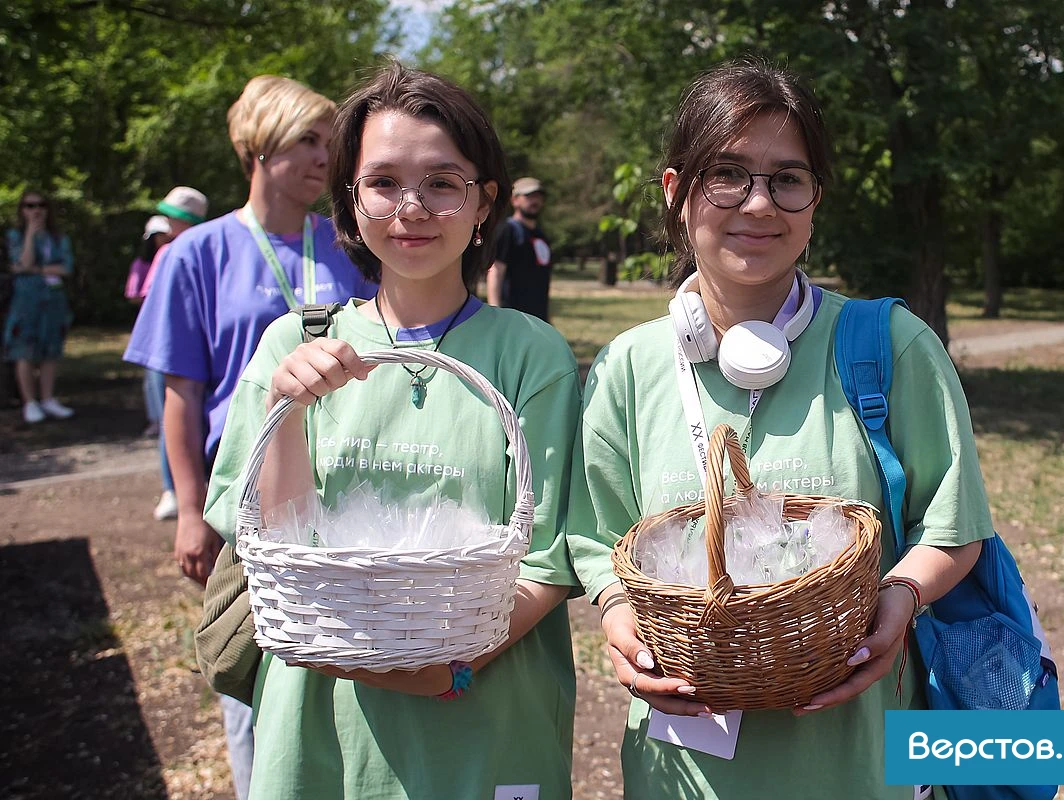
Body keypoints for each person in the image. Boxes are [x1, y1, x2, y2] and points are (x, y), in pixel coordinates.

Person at [566, 59, 992, 799]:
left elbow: (954, 528)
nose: (758, 206)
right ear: (677, 191)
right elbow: (595, 539)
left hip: (858, 763)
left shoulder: (892, 346)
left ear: (815, 200)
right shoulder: (627, 369)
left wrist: (899, 602)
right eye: (726, 175)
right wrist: (616, 618)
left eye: (786, 179)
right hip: (683, 772)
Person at [202, 61, 580, 799]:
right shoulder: (290, 346)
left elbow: (549, 557)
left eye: (443, 183)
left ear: (483, 205)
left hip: (485, 716)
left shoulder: (531, 354)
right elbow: (269, 544)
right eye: (383, 183)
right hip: (325, 716)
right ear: (350, 203)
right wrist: (289, 414)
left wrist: (450, 663)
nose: (412, 208)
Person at [122, 75, 375, 800]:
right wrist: (192, 510)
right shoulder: (195, 255)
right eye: (306, 140)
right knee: (253, 664)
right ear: (257, 148)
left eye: (331, 142)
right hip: (248, 498)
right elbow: (181, 394)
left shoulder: (350, 245)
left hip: (349, 490)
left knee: (346, 666)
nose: (325, 156)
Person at [127, 187, 211, 521]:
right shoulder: (174, 250)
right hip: (168, 345)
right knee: (170, 416)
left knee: (183, 415)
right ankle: (173, 488)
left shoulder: (191, 249)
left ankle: (184, 488)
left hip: (186, 345)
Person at [5, 190, 75, 424]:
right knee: (24, 349)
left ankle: (47, 399)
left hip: (53, 300)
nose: (36, 210)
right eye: (30, 206)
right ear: (22, 210)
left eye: (41, 205)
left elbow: (66, 268)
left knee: (51, 348)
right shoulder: (15, 235)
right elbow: (22, 263)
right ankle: (30, 402)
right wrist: (30, 236)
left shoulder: (58, 238)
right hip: (26, 301)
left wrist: (34, 270)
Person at [486, 176, 553, 320]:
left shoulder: (541, 236)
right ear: (514, 200)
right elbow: (495, 272)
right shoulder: (508, 230)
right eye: (529, 196)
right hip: (512, 316)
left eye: (538, 196)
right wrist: (495, 314)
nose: (535, 201)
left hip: (538, 317)